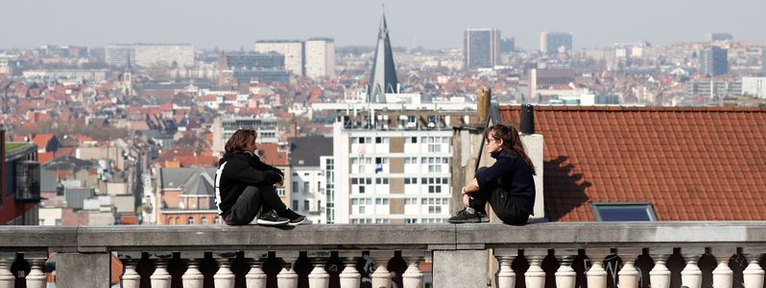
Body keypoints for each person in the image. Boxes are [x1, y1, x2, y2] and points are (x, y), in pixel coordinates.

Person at [448, 124, 536, 225]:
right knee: (485, 174)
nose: (486, 144)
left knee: (483, 173)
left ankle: (473, 211)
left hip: (514, 212)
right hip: (519, 214)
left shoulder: (508, 160)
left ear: (500, 142)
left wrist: (465, 190)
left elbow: (480, 181)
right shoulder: (511, 157)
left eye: (489, 140)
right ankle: (477, 212)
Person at [215, 129, 306, 226]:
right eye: (252, 143)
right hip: (232, 215)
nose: (255, 147)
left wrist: (279, 175)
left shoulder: (249, 160)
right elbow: (261, 177)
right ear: (242, 145)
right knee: (260, 181)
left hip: (241, 209)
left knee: (263, 178)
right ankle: (282, 212)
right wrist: (276, 177)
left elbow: (269, 169)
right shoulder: (232, 164)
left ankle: (267, 213)